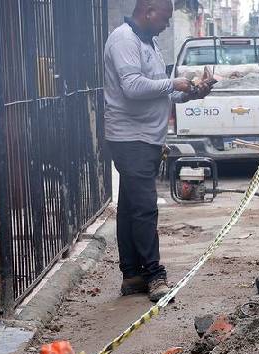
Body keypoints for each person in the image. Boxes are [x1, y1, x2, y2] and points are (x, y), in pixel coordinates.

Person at [103, 0, 215, 303]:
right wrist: (173, 82)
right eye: (164, 18)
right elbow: (133, 87)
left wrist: (192, 91)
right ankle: (154, 274)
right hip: (130, 138)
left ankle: (132, 274)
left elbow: (163, 91)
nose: (167, 24)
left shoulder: (148, 41)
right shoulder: (124, 39)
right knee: (144, 208)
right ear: (148, 11)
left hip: (145, 137)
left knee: (130, 209)